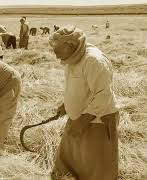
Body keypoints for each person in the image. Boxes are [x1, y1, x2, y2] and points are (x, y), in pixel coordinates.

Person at [49, 25, 119, 180]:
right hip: (79, 118)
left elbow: (103, 95)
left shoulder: (94, 61)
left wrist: (82, 121)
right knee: (71, 161)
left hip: (97, 121)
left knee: (96, 169)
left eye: (59, 52)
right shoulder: (72, 57)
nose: (56, 57)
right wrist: (65, 105)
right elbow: (78, 88)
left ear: (71, 46)